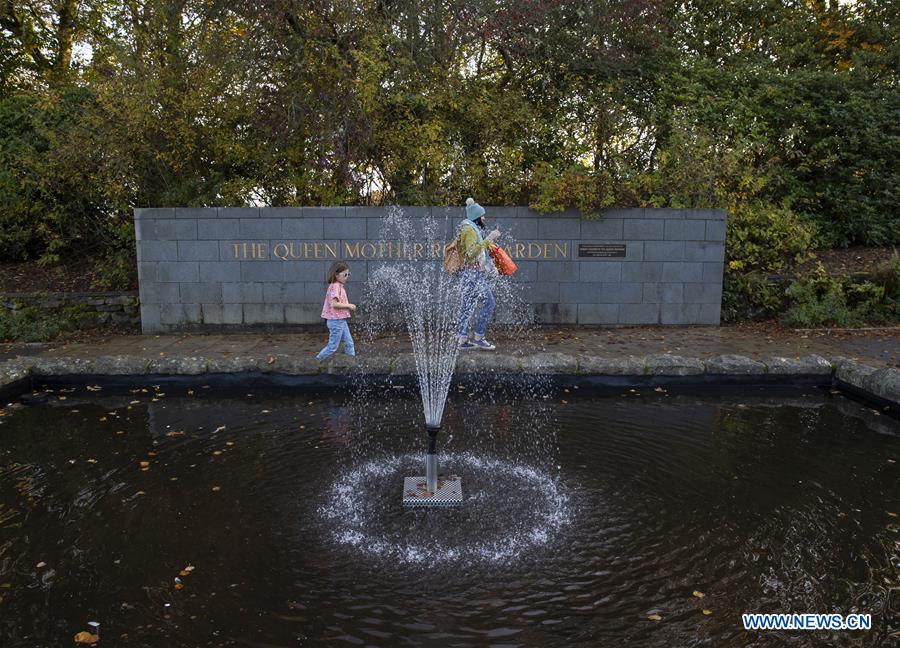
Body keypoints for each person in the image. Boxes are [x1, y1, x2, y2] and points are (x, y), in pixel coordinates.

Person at [456, 197, 501, 350]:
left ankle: (461, 339)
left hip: (470, 274)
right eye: (482, 215)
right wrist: (488, 239)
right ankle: (478, 337)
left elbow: (477, 253)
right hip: (473, 275)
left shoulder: (470, 228)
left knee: (467, 305)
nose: (484, 218)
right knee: (489, 303)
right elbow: (471, 253)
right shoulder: (469, 230)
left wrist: (490, 266)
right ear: (476, 216)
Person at [316, 261, 356, 360]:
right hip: (336, 321)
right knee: (332, 347)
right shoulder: (335, 287)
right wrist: (349, 306)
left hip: (340, 320)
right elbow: (334, 304)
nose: (347, 277)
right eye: (345, 274)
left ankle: (351, 363)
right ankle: (317, 361)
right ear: (336, 275)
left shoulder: (338, 286)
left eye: (348, 274)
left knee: (349, 343)